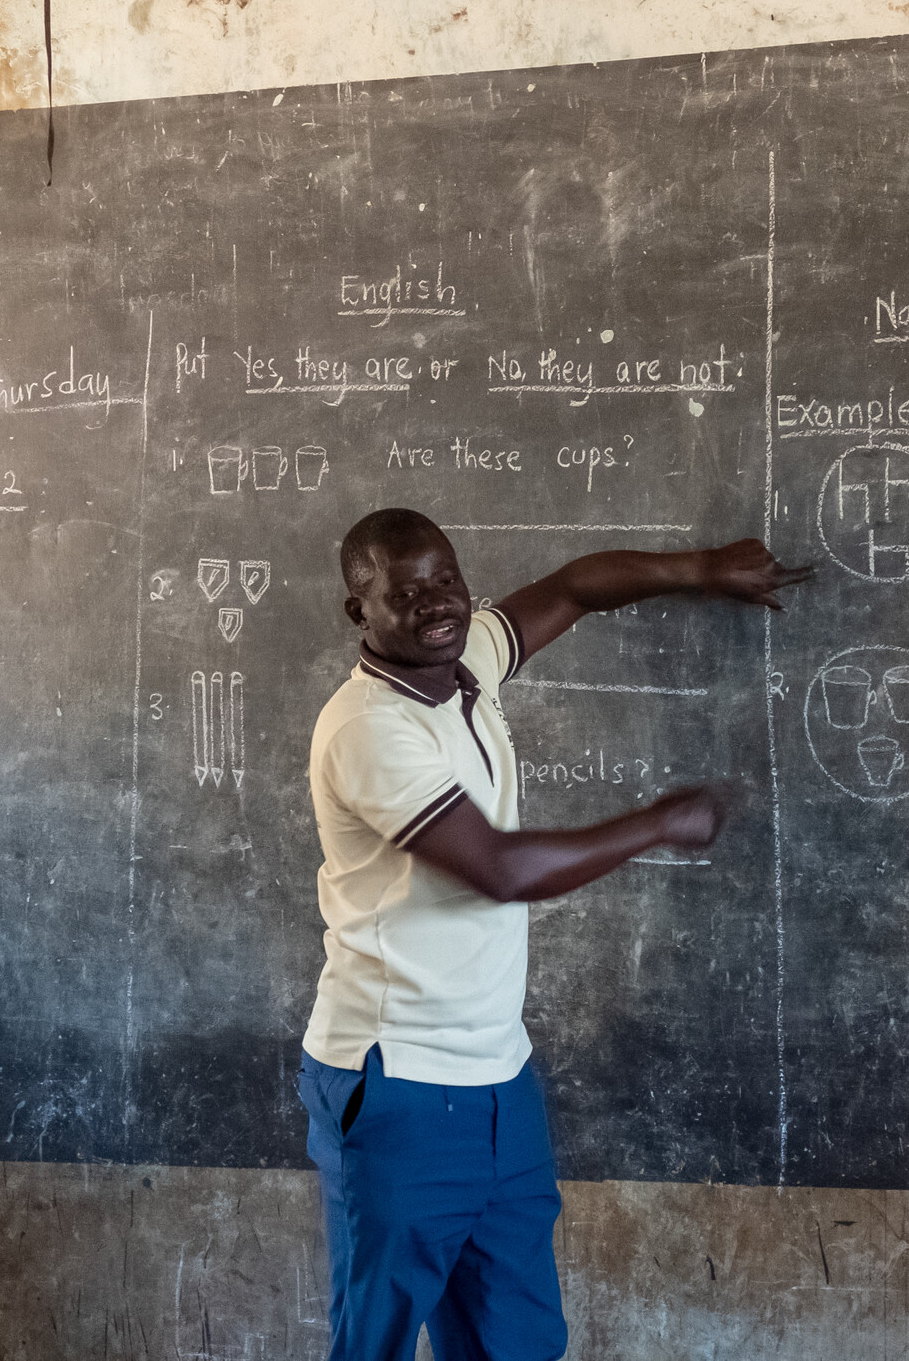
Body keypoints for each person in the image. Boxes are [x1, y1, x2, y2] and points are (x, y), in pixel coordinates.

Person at [298, 507, 811, 1361]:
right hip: (400, 1087)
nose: (435, 605)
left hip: (499, 1077)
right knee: (374, 1340)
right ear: (361, 613)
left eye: (446, 582)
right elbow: (501, 870)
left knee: (518, 1338)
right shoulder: (368, 729)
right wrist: (657, 823)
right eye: (405, 592)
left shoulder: (469, 665)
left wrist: (702, 569)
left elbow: (575, 588)